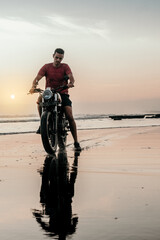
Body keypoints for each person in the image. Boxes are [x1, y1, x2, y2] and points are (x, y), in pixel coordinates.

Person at [29, 48, 81, 151]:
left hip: (62, 92)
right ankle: (42, 124)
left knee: (69, 115)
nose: (58, 60)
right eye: (56, 57)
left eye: (60, 58)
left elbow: (71, 77)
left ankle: (76, 142)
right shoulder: (46, 67)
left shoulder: (65, 66)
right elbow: (37, 78)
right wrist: (33, 85)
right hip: (49, 92)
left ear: (62, 58)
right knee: (40, 100)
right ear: (53, 56)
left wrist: (71, 83)